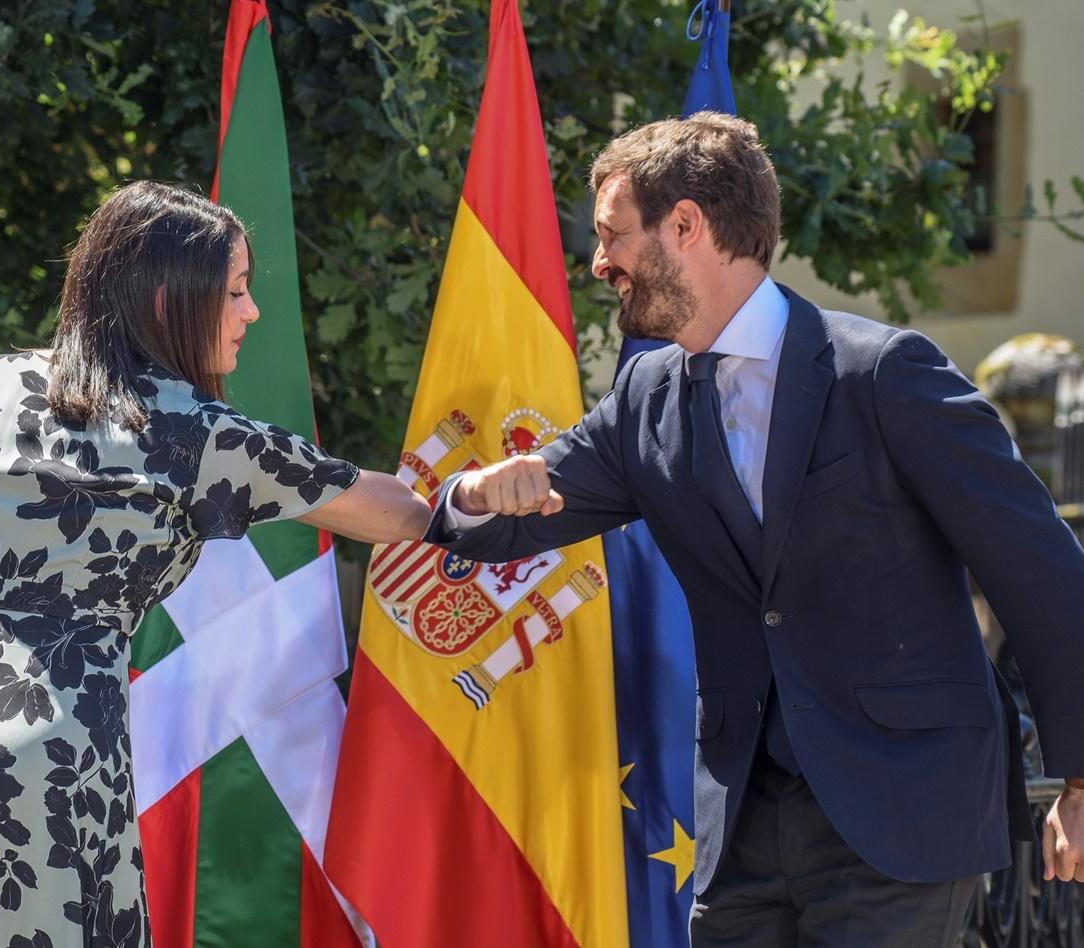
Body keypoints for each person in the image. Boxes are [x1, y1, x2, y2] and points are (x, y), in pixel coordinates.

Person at [427, 113, 1084, 945]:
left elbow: (1043, 571)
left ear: (687, 224)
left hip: (903, 818)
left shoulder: (885, 374)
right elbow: (498, 524)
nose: (599, 264)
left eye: (612, 236)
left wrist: (1080, 781)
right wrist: (477, 495)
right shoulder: (643, 402)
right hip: (741, 832)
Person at [0, 181, 431, 947]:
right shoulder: (204, 435)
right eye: (235, 292)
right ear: (170, 301)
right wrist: (476, 486)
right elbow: (397, 513)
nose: (251, 312)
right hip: (52, 749)